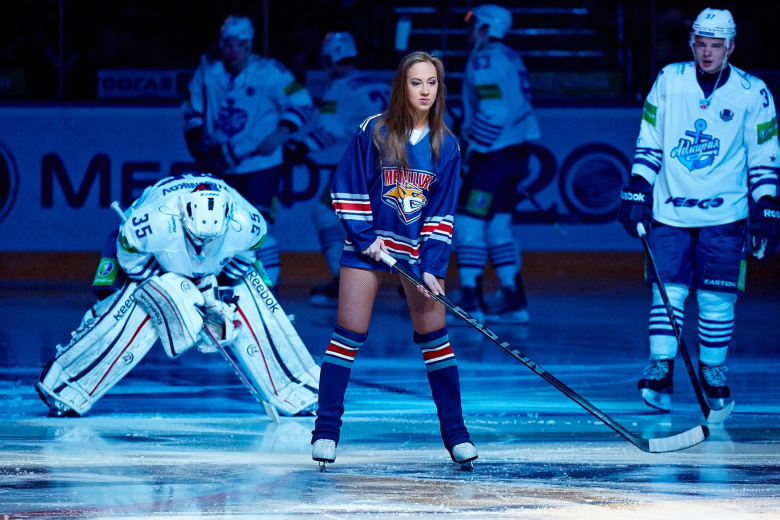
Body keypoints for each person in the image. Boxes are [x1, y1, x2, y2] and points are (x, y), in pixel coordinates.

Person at [310, 51, 478, 469]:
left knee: (435, 339)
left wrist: (433, 267)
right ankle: (326, 432)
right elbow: (345, 188)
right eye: (416, 82)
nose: (424, 91)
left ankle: (457, 436)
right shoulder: (375, 130)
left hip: (416, 254)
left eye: (432, 83)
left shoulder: (447, 145)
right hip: (369, 248)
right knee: (348, 334)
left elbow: (441, 213)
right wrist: (366, 239)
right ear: (402, 87)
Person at [36, 174, 320, 418]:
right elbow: (130, 259)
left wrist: (214, 293)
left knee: (248, 294)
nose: (202, 246)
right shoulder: (149, 224)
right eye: (198, 239)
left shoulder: (247, 224)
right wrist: (169, 287)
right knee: (124, 307)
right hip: (147, 260)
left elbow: (243, 260)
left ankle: (300, 388)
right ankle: (64, 386)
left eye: (211, 240)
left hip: (214, 266)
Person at [618, 8, 780, 413]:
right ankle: (661, 366)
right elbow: (650, 139)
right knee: (667, 292)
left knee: (716, 300)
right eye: (701, 44)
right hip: (670, 212)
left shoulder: (752, 91)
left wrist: (767, 205)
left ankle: (712, 369)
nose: (707, 53)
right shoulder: (669, 81)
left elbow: (763, 156)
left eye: (716, 45)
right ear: (692, 44)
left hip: (726, 215)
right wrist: (639, 185)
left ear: (731, 47)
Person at [181, 15, 315, 288]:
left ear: (249, 45)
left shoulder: (271, 71)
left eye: (239, 45)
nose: (233, 51)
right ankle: (227, 284)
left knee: (256, 226)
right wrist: (198, 144)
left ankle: (267, 288)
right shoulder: (208, 72)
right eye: (228, 45)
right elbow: (192, 110)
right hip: (222, 163)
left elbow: (302, 100)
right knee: (219, 226)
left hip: (260, 165)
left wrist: (281, 134)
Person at [451, 4, 541, 325]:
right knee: (499, 226)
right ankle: (512, 297)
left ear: (487, 27)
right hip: (516, 153)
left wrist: (474, 148)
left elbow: (494, 110)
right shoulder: (510, 56)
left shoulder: (484, 59)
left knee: (467, 225)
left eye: (473, 24)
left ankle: (470, 298)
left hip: (493, 155)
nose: (469, 30)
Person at [288, 31, 391, 307]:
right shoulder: (378, 82)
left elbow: (328, 130)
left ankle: (345, 283)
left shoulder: (339, 86)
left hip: (366, 164)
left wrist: (296, 148)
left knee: (324, 212)